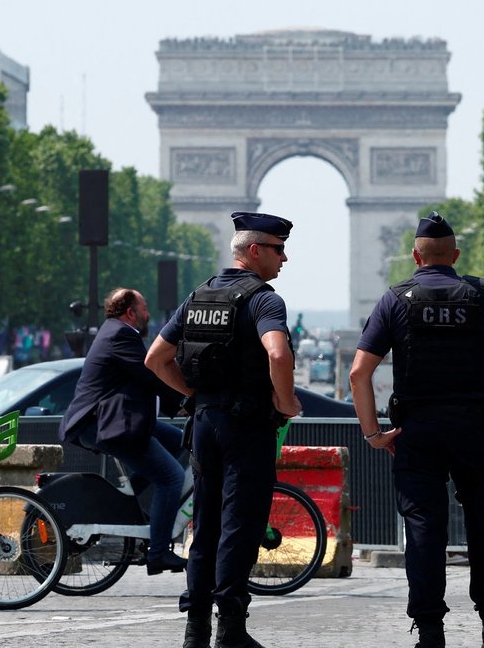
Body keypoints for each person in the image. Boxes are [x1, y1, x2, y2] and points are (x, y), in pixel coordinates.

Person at [349, 212, 484, 648]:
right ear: (456, 255)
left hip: (417, 430)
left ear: (415, 256)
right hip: (473, 427)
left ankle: (430, 631)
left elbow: (359, 373)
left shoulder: (395, 300)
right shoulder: (479, 298)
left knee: (423, 531)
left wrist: (374, 433)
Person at [145, 211, 301, 648]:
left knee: (205, 526)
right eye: (278, 249)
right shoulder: (264, 299)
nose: (284, 258)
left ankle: (195, 631)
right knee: (240, 527)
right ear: (254, 251)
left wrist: (194, 395)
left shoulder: (197, 297)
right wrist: (286, 401)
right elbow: (277, 353)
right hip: (246, 427)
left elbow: (155, 359)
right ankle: (230, 629)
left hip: (204, 426)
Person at [58, 288, 187, 575]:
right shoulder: (121, 335)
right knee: (171, 477)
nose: (148, 314)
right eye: (144, 308)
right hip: (105, 424)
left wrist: (176, 405)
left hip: (114, 421)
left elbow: (144, 381)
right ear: (130, 312)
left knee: (182, 443)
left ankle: (129, 505)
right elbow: (150, 375)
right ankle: (159, 551)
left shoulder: (113, 330)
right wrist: (186, 400)